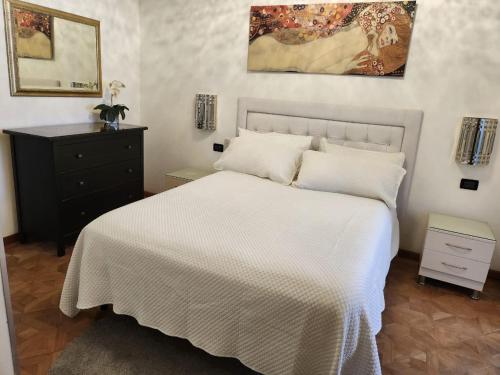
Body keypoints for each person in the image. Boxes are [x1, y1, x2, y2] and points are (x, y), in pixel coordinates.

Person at [248, 3, 412, 76]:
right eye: (391, 32)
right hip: (272, 51)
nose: (388, 39)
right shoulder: (361, 38)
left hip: (272, 50)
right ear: (384, 22)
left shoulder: (362, 39)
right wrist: (344, 67)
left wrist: (345, 67)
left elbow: (313, 64)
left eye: (392, 41)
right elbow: (314, 65)